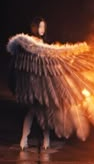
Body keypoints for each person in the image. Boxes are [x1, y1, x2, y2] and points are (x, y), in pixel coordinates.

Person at [20, 17, 50, 150]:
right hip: (34, 81)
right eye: (40, 27)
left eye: (44, 27)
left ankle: (45, 139)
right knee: (33, 111)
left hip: (42, 80)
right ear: (35, 28)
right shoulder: (31, 42)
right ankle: (25, 139)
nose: (42, 29)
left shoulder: (43, 41)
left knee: (42, 111)